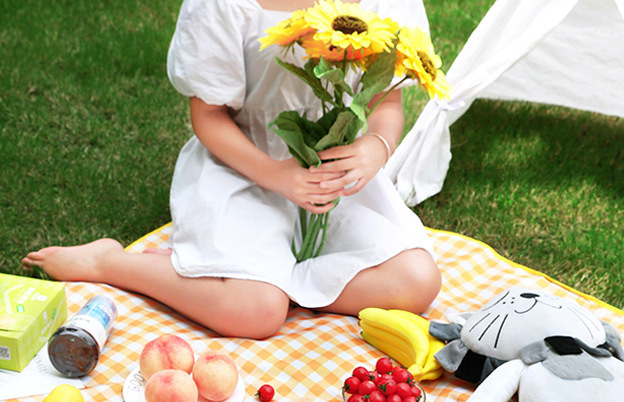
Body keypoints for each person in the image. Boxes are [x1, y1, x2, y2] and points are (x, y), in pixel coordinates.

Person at [22, 0, 441, 339]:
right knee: (256, 313)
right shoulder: (220, 5)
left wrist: (377, 145)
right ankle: (111, 263)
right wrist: (278, 175)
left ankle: (270, 280)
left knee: (417, 281)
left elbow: (386, 102)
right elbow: (208, 115)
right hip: (244, 167)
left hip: (333, 175)